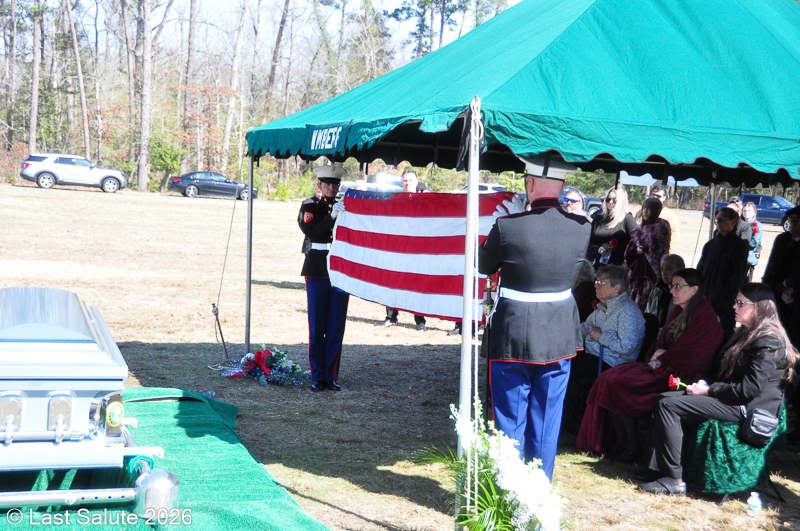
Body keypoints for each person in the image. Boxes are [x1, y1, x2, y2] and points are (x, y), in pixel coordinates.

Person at [478, 157, 591, 480]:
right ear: (562, 186)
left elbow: (484, 266)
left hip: (514, 332)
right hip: (559, 334)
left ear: (529, 183)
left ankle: (509, 490)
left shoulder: (508, 226)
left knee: (510, 419)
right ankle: (539, 491)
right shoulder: (582, 228)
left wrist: (503, 227)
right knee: (547, 420)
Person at [635, 283, 797, 495]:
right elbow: (730, 376)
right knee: (664, 398)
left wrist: (708, 391)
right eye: (735, 302)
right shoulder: (749, 333)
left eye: (740, 303)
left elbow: (749, 390)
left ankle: (673, 479)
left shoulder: (769, 340)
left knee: (669, 405)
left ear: (759, 307)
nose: (734, 306)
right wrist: (704, 385)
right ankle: (658, 469)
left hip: (750, 409)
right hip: (736, 400)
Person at [576, 268, 723, 461]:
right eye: (672, 286)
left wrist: (663, 357)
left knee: (621, 383)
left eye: (678, 287)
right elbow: (661, 343)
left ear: (695, 289)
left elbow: (695, 355)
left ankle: (633, 445)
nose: (672, 291)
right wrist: (656, 356)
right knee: (609, 379)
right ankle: (621, 441)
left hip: (682, 375)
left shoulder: (705, 317)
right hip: (662, 366)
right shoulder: (679, 310)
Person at [298, 165, 350, 392]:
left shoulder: (345, 207)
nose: (331, 188)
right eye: (327, 184)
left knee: (336, 325)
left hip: (339, 269)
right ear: (319, 185)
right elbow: (313, 232)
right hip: (318, 268)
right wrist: (332, 217)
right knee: (317, 324)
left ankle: (331, 375)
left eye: (335, 184)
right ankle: (317, 375)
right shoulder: (309, 205)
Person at [572, 265, 645, 382]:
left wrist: (600, 337)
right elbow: (583, 329)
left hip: (612, 365)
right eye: (596, 282)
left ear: (616, 288)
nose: (595, 285)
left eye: (601, 283)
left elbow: (626, 347)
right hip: (592, 356)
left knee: (568, 368)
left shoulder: (628, 311)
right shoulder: (601, 309)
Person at [382, 169, 429, 331]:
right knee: (393, 282)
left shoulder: (424, 201)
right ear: (401, 182)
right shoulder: (395, 200)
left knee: (417, 285)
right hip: (398, 249)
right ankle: (391, 316)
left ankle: (420, 320)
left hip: (417, 250)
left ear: (416, 182)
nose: (407, 183)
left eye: (410, 180)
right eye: (405, 180)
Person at [696, 207, 749, 338]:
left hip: (724, 303)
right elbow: (700, 270)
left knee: (723, 335)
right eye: (717, 220)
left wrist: (724, 296)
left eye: (722, 219)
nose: (718, 223)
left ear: (734, 221)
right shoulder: (710, 244)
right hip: (705, 299)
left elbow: (738, 276)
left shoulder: (740, 246)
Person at [763, 206, 800, 347]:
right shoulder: (782, 239)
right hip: (775, 292)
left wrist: (790, 287)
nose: (792, 224)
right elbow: (772, 264)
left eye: (796, 220)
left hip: (794, 297)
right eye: (790, 220)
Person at [625, 197, 671, 310]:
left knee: (646, 304)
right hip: (637, 272)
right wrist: (636, 250)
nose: (645, 212)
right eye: (644, 208)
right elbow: (630, 251)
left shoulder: (661, 227)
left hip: (651, 274)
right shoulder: (639, 229)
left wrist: (645, 249)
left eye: (649, 209)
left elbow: (657, 249)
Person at [588, 186, 637, 268]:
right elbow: (589, 243)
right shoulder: (598, 219)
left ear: (621, 201)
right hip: (598, 266)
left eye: (614, 200)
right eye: (608, 199)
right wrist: (598, 249)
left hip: (618, 267)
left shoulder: (628, 219)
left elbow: (637, 243)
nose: (610, 202)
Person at [644, 254, 686, 328]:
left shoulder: (686, 293)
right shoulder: (658, 289)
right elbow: (649, 311)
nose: (664, 273)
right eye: (662, 269)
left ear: (680, 269)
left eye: (668, 269)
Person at [740, 202, 763, 282]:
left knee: (745, 283)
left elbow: (754, 243)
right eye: (744, 210)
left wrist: (739, 243)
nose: (746, 213)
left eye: (749, 211)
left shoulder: (756, 225)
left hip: (748, 259)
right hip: (737, 259)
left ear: (754, 213)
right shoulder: (739, 223)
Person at [298, 184, 323, 254]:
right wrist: (308, 232)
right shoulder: (307, 203)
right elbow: (301, 220)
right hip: (310, 242)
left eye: (322, 192)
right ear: (315, 190)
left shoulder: (328, 204)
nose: (321, 195)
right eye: (319, 192)